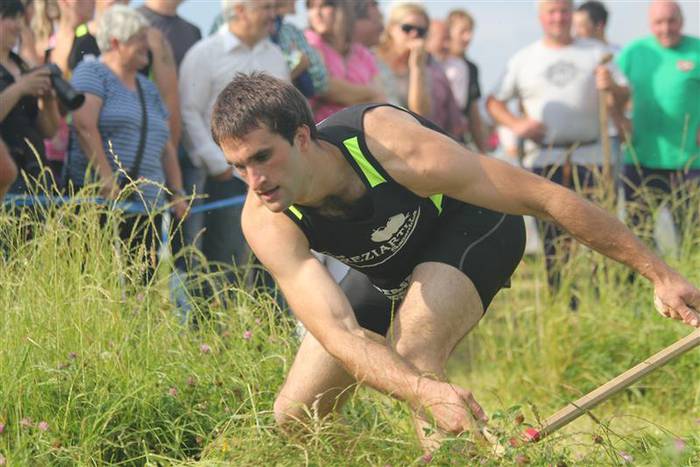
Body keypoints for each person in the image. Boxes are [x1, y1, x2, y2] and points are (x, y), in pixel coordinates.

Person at [209, 72, 700, 453]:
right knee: (296, 416)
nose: (253, 180)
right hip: (385, 263)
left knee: (416, 348)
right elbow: (340, 335)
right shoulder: (267, 219)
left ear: (300, 137)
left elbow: (544, 197)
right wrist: (419, 392)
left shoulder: (391, 146)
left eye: (262, 157)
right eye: (238, 167)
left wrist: (660, 274)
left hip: (472, 227)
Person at [486, 0, 627, 298]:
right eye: (552, 12)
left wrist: (611, 85)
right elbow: (494, 102)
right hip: (545, 161)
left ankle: (604, 302)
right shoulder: (524, 59)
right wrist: (517, 124)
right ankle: (564, 303)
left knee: (602, 235)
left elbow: (624, 95)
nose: (558, 18)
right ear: (541, 17)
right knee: (554, 240)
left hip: (592, 159)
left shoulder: (596, 53)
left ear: (572, 14)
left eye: (564, 11)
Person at [66, 5, 186, 280]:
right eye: (139, 39)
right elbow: (85, 125)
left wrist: (177, 191)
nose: (147, 46)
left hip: (146, 207)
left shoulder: (148, 87)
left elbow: (165, 144)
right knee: (96, 280)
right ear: (117, 43)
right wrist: (107, 179)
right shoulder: (91, 73)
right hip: (101, 202)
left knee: (142, 283)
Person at [179, 0, 288, 286]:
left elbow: (286, 113)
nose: (272, 15)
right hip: (224, 178)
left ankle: (269, 326)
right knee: (225, 261)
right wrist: (220, 165)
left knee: (276, 260)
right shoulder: (205, 54)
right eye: (265, 7)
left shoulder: (275, 55)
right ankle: (222, 329)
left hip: (273, 176)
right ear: (240, 10)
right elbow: (189, 110)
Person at [615, 0, 700, 242]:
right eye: (658, 22)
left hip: (690, 162)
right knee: (637, 236)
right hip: (640, 160)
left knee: (693, 238)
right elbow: (615, 93)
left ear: (682, 21)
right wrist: (619, 118)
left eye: (671, 21)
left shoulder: (697, 50)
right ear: (650, 24)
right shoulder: (634, 52)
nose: (665, 28)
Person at [375, 2, 465, 139]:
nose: (414, 34)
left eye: (421, 31)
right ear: (391, 28)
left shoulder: (427, 69)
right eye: (407, 28)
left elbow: (420, 114)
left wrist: (417, 68)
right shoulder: (372, 58)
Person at [1, 0, 60, 195]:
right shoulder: (23, 79)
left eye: (20, 18)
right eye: (10, 17)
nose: (19, 25)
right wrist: (20, 88)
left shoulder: (23, 67)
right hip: (5, 179)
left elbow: (49, 131)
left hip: (37, 175)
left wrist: (48, 101)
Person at [305, 0, 382, 123]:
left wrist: (369, 96)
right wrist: (370, 94)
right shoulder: (309, 41)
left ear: (344, 8)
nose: (317, 13)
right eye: (311, 6)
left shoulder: (361, 53)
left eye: (325, 5)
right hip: (325, 131)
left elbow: (381, 98)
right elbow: (325, 86)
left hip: (363, 127)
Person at [442, 10, 487, 152]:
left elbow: (473, 113)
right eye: (463, 31)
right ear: (448, 32)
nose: (468, 37)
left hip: (458, 140)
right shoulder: (433, 63)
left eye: (471, 32)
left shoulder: (471, 68)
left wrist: (483, 151)